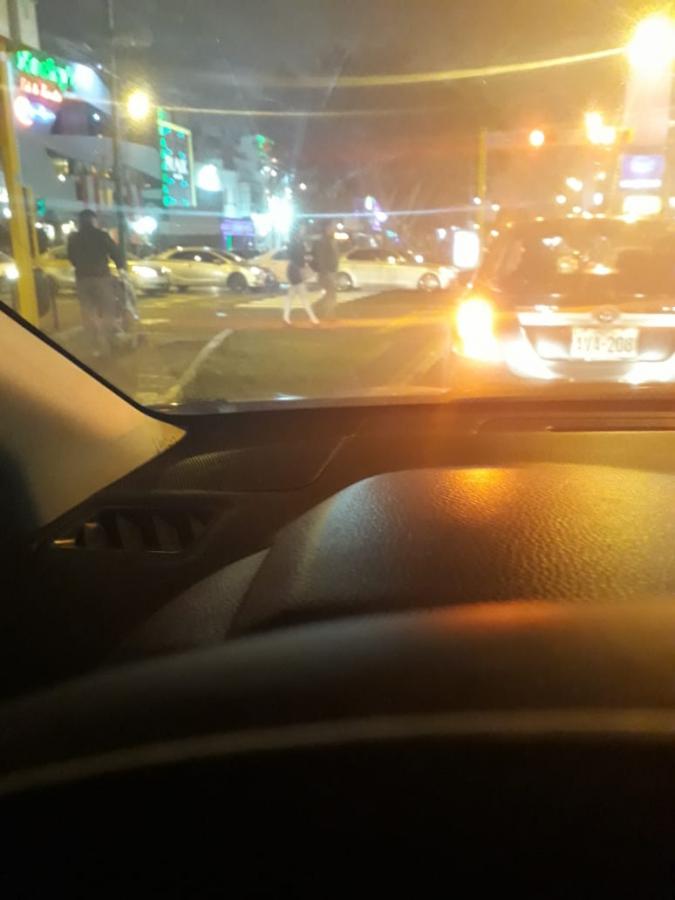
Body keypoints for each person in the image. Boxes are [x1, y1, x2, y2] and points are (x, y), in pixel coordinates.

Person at [67, 209, 124, 356]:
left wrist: (81, 265)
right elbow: (115, 252)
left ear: (80, 222)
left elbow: (71, 257)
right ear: (93, 220)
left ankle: (95, 346)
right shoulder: (101, 235)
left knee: (88, 311)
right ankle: (108, 341)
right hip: (101, 277)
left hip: (82, 278)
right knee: (108, 309)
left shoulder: (73, 238)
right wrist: (120, 268)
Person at [284, 224, 319, 326]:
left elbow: (298, 257)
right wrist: (305, 262)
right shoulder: (297, 244)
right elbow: (299, 258)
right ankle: (313, 319)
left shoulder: (295, 243)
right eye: (302, 230)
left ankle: (286, 317)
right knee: (303, 295)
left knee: (291, 295)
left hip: (293, 270)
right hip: (295, 270)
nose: (304, 231)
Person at [313, 221, 339, 321]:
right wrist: (324, 271)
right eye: (332, 228)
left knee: (330, 294)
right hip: (326, 272)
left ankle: (318, 307)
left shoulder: (332, 241)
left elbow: (335, 256)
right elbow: (321, 258)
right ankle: (330, 315)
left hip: (332, 271)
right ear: (327, 229)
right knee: (331, 294)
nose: (334, 230)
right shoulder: (323, 242)